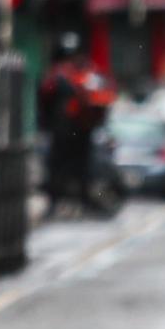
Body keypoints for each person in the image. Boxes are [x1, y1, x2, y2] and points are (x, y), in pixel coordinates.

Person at [39, 32, 116, 216]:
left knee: (61, 167)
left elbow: (44, 99)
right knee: (78, 168)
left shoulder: (60, 75)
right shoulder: (86, 72)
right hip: (80, 130)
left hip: (67, 131)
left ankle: (63, 202)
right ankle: (78, 201)